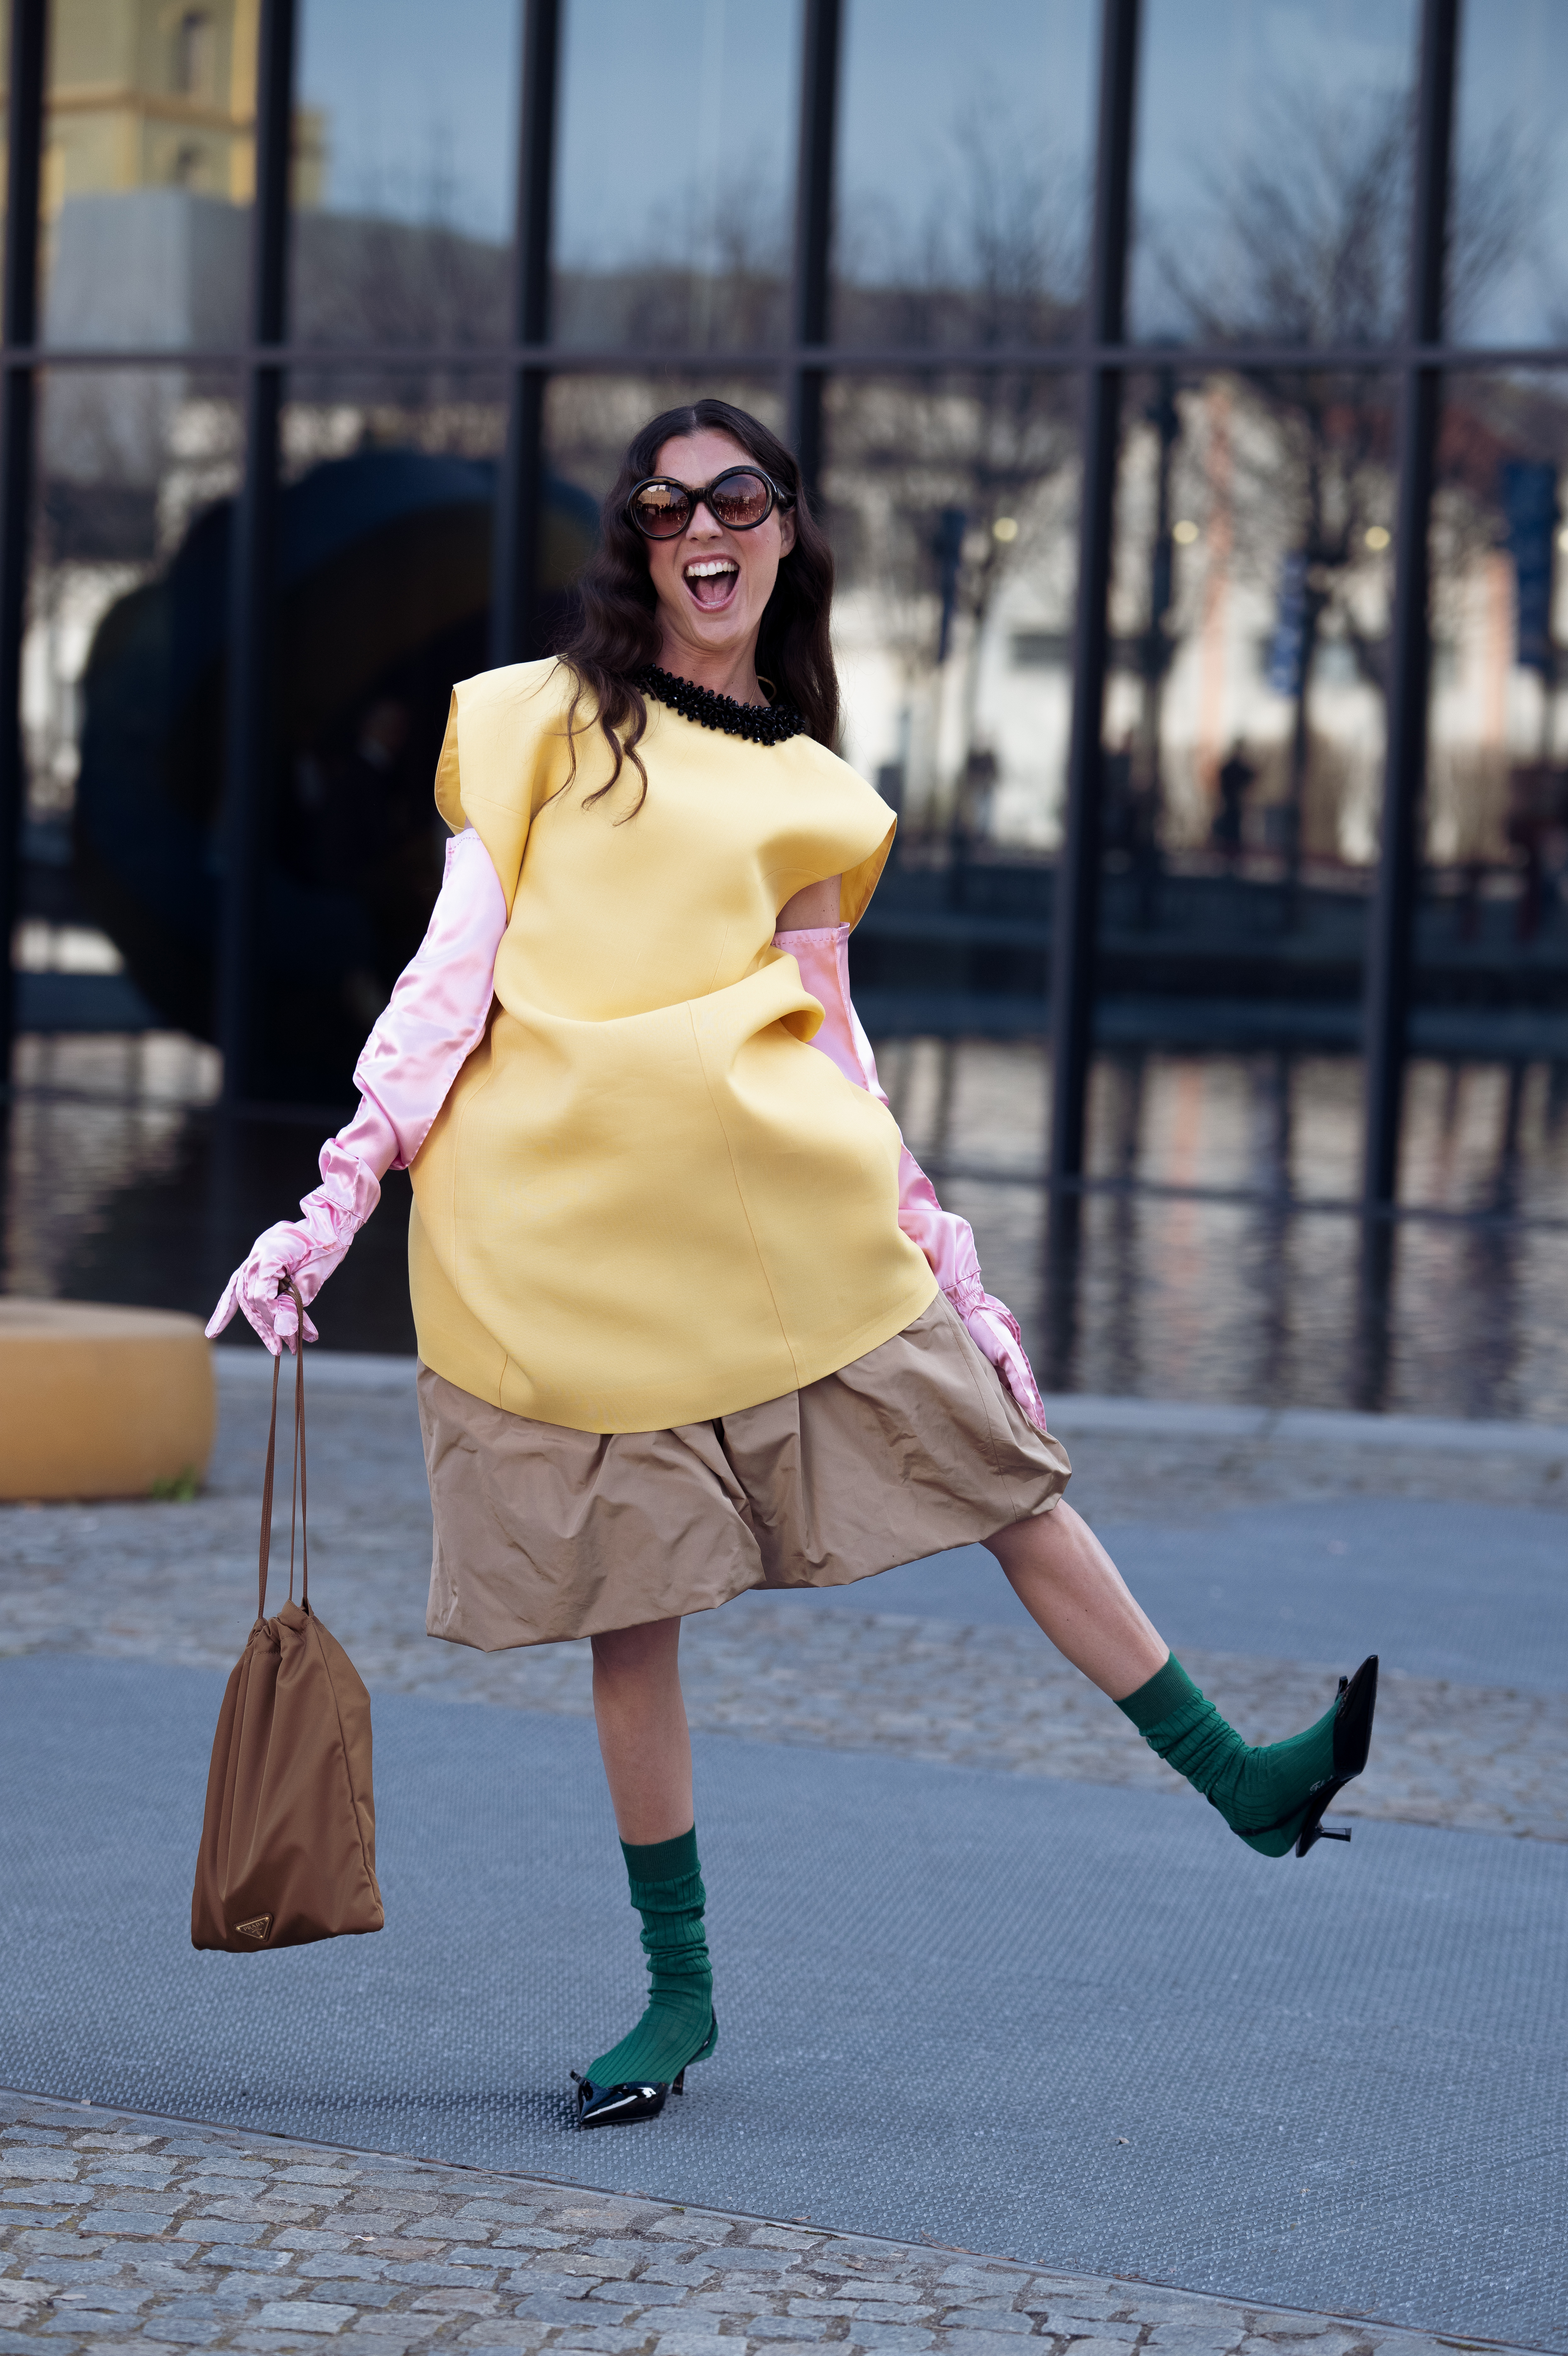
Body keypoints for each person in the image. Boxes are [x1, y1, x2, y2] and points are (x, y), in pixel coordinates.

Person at [209, 399, 1377, 2132]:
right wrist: (331, 1206)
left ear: (783, 530)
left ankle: (1243, 1779)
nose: (704, 524)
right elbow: (446, 985)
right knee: (633, 1620)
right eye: (668, 501)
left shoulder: (814, 791)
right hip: (561, 1236)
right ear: (638, 538)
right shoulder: (537, 724)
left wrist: (954, 1270)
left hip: (773, 1210)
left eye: (736, 496)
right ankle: (674, 1989)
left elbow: (837, 1044)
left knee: (1005, 1473)